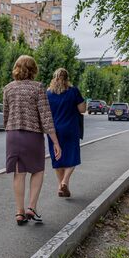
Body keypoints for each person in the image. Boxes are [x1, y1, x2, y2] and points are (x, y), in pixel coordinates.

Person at [3, 55, 62, 225]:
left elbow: (6, 115)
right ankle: (32, 207)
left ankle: (19, 212)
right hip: (33, 135)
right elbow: (46, 116)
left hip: (12, 134)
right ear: (33, 69)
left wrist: (11, 128)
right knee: (37, 170)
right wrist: (56, 142)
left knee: (18, 172)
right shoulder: (38, 88)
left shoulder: (8, 88)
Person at [46, 68, 86, 197]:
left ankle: (61, 186)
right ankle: (64, 182)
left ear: (54, 78)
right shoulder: (73, 91)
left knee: (58, 157)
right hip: (70, 129)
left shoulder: (48, 93)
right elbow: (82, 109)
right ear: (67, 78)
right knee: (72, 157)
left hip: (54, 131)